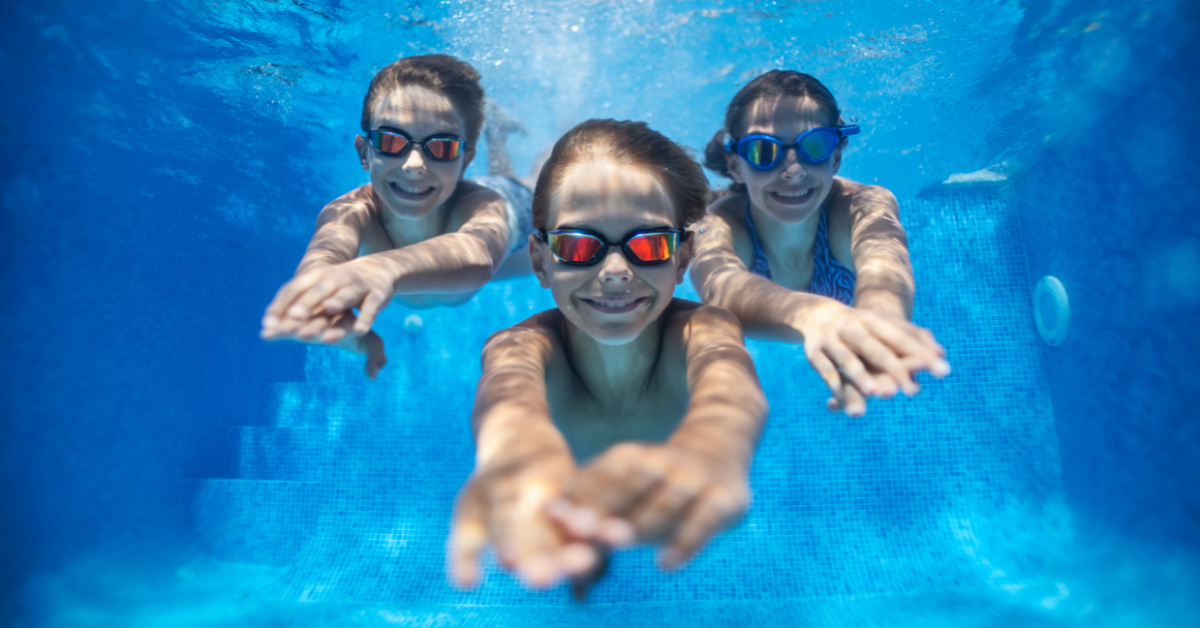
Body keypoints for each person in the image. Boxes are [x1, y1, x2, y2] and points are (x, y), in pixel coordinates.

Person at [449, 119, 769, 597]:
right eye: (579, 247)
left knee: (547, 189)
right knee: (521, 191)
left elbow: (730, 385)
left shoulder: (702, 329)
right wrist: (512, 454)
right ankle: (501, 136)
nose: (616, 273)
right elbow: (508, 396)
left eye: (650, 244)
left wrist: (715, 448)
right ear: (540, 262)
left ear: (682, 260)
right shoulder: (521, 346)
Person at [691, 70, 951, 417]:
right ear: (736, 166)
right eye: (763, 151)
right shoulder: (717, 222)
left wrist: (880, 324)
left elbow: (885, 261)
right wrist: (816, 316)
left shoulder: (863, 205)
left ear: (836, 158)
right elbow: (722, 290)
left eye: (814, 146)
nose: (794, 170)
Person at [259, 55, 536, 379]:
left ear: (463, 161)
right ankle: (497, 130)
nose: (414, 164)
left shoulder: (481, 206)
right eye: (391, 141)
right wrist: (320, 303)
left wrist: (385, 267)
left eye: (443, 146)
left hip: (516, 220)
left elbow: (477, 254)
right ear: (365, 152)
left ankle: (500, 132)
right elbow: (323, 260)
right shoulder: (350, 212)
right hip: (452, 249)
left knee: (544, 179)